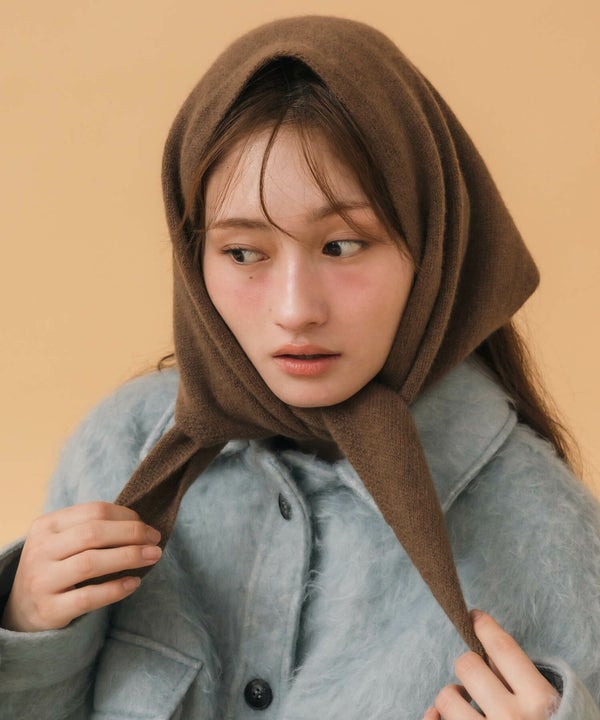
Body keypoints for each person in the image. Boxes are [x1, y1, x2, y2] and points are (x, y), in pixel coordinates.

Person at [0, 15, 598, 720]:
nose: (294, 310)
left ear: (433, 249)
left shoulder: (546, 536)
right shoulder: (121, 451)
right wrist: (27, 631)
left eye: (342, 246)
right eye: (243, 253)